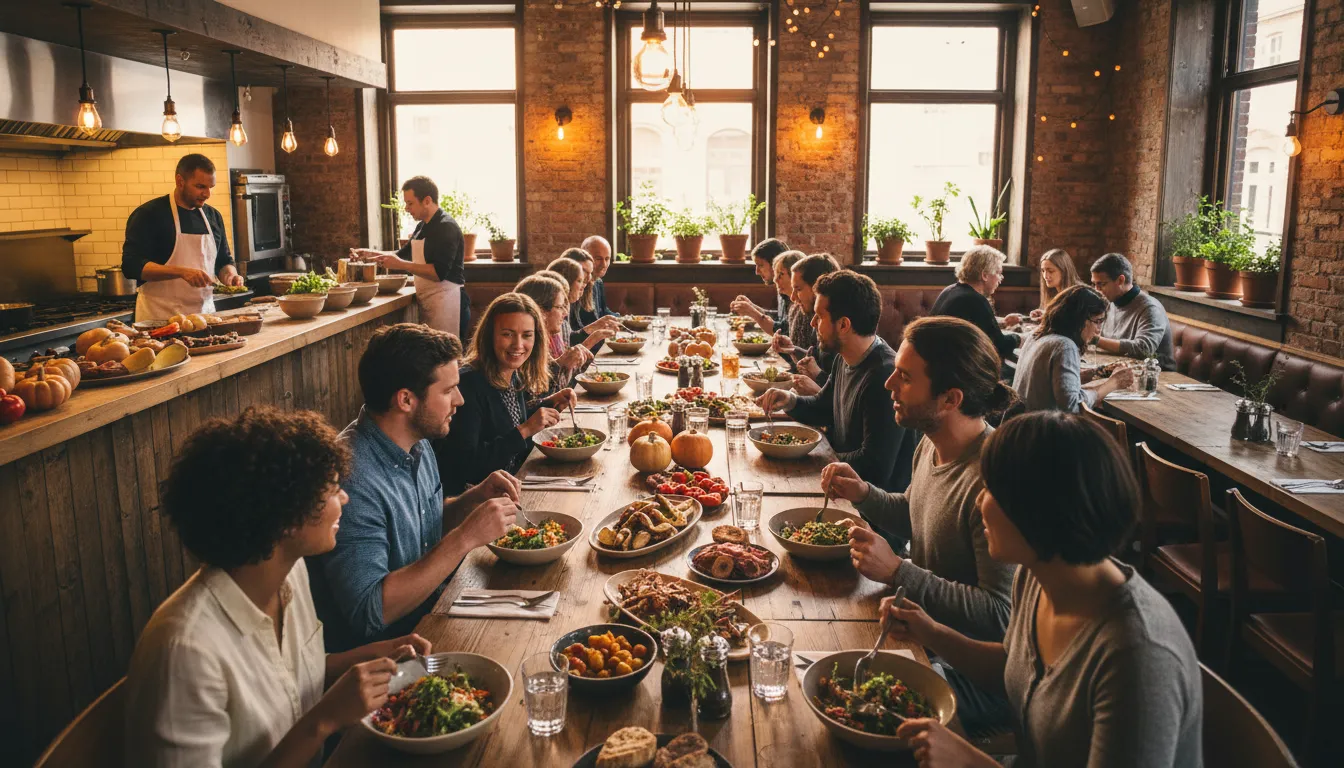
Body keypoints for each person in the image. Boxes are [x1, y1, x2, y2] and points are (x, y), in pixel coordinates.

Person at [886, 412, 1203, 768]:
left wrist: (971, 762)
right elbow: (1014, 670)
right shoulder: (1039, 575)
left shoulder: (1137, 657)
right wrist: (930, 631)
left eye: (990, 490)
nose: (979, 501)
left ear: (1039, 511)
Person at [125, 407, 433, 767]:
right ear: (287, 518)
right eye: (333, 490)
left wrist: (373, 655)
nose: (344, 499)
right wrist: (324, 721)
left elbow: (288, 676)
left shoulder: (290, 574)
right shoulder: (186, 652)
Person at [309, 324, 521, 651]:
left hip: (436, 610)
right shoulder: (351, 477)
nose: (460, 400)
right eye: (448, 390)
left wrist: (473, 499)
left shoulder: (418, 443)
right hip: (396, 651)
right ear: (406, 400)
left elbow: (426, 529)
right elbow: (371, 611)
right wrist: (465, 538)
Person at [820, 316, 1016, 642]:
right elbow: (915, 513)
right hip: (913, 626)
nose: (889, 383)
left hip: (956, 664)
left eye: (905, 378)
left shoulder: (995, 480)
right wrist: (864, 494)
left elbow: (1000, 615)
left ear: (951, 399)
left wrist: (899, 571)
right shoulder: (931, 439)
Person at [757, 270, 915, 493]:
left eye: (819, 317)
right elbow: (823, 407)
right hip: (835, 484)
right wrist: (789, 400)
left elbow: (874, 466)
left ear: (843, 325)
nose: (812, 323)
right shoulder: (845, 357)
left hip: (868, 509)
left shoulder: (883, 376)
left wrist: (814, 457)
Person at [433, 293, 579, 495]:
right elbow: (466, 466)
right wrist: (525, 430)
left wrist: (548, 404)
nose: (518, 345)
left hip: (515, 485)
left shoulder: (512, 374)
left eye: (527, 335)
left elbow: (504, 424)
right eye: (507, 334)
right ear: (489, 335)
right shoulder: (468, 384)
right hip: (474, 501)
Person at [123, 153, 244, 321]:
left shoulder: (213, 216)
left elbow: (223, 261)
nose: (207, 194)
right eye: (201, 187)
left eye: (211, 187)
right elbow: (131, 266)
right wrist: (181, 272)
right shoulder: (149, 214)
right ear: (180, 181)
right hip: (160, 317)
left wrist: (230, 276)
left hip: (204, 315)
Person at [351, 176, 470, 336]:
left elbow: (438, 273)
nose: (406, 208)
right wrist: (368, 254)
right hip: (432, 302)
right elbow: (403, 255)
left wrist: (400, 264)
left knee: (449, 359)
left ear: (427, 200)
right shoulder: (422, 226)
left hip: (450, 303)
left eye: (410, 203)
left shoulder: (446, 226)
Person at [1013, 285, 1135, 413]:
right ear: (1079, 319)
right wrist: (1113, 384)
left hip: (1020, 426)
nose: (1099, 330)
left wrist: (1097, 372)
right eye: (1098, 321)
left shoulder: (1037, 335)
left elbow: (1057, 382)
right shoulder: (1064, 346)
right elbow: (1072, 406)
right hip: (1042, 429)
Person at [929, 245, 1020, 364]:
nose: (1001, 278)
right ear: (984, 275)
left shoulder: (951, 290)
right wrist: (1022, 338)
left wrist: (1002, 322)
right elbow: (999, 346)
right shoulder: (975, 300)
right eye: (998, 273)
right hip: (956, 373)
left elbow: (972, 323)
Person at [1090, 252, 1174, 370]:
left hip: (1156, 376)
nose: (1097, 290)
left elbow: (1143, 349)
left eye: (1101, 284)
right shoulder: (1109, 301)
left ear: (1120, 280)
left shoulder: (1150, 308)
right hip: (1120, 369)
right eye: (1094, 284)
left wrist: (1094, 340)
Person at [772, 253, 840, 394]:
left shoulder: (837, 328)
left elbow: (840, 391)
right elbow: (815, 362)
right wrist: (793, 350)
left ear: (818, 287)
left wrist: (817, 375)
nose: (792, 297)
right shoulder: (819, 320)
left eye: (798, 289)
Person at [514, 273, 592, 390]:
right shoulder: (521, 347)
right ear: (541, 311)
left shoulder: (541, 339)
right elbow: (533, 398)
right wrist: (560, 365)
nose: (565, 313)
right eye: (560, 307)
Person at [546, 257, 619, 350]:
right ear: (566, 281)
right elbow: (564, 357)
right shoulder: (554, 311)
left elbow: (568, 341)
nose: (586, 283)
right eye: (580, 280)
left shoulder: (565, 306)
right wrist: (593, 338)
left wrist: (595, 327)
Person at [729, 238, 792, 333]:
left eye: (761, 265)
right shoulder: (781, 287)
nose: (757, 272)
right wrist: (753, 308)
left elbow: (785, 332)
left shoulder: (792, 291)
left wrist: (754, 313)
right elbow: (780, 319)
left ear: (775, 264)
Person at [1030, 248, 1082, 320]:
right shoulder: (1053, 292)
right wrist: (1045, 314)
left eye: (1051, 271)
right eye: (1043, 271)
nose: (1045, 276)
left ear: (1064, 271)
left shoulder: (1079, 294)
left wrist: (1048, 318)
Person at [580, 235, 621, 318]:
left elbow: (603, 311)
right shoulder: (577, 285)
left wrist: (623, 320)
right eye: (598, 259)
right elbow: (574, 326)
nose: (604, 264)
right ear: (584, 256)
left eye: (607, 259)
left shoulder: (598, 281)